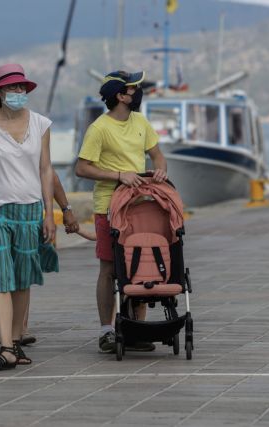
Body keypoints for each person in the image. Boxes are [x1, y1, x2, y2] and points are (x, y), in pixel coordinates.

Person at [0, 63, 56, 371]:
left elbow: (46, 169)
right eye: (11, 87)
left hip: (30, 210)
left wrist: (50, 213)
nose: (18, 91)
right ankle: (6, 347)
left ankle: (16, 342)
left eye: (22, 87)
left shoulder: (41, 124)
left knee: (22, 279)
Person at [75, 70, 168, 354]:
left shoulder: (140, 121)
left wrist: (160, 170)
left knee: (140, 263)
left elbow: (157, 155)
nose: (138, 92)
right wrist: (119, 175)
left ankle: (135, 328)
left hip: (140, 205)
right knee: (109, 268)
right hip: (109, 206)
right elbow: (82, 168)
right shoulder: (99, 129)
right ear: (120, 96)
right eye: (133, 88)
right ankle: (106, 330)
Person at [0, 145, 80, 346]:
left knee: (22, 270)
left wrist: (65, 209)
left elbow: (49, 174)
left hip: (26, 213)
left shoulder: (31, 136)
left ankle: (20, 329)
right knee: (2, 272)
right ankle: (11, 335)